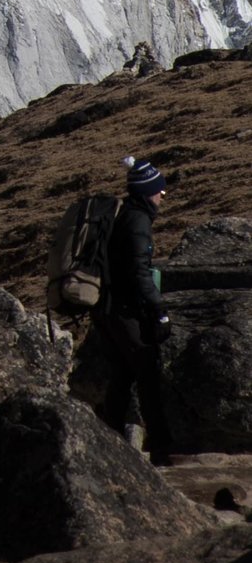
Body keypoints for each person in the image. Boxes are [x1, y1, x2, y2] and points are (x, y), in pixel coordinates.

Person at [104, 155, 176, 465]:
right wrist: (159, 308)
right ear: (148, 191)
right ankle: (161, 449)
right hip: (122, 309)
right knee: (146, 370)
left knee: (122, 374)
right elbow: (138, 271)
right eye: (160, 189)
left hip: (110, 307)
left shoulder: (130, 215)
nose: (164, 195)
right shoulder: (137, 221)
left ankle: (109, 442)